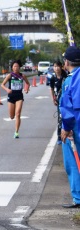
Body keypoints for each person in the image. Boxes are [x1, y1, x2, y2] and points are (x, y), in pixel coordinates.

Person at [60, 46, 80, 208]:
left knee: (72, 162)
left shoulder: (70, 80)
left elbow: (68, 107)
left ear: (66, 62)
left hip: (75, 126)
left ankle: (78, 197)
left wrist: (66, 128)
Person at [1, 60, 30, 138]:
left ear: (19, 67)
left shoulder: (22, 76)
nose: (16, 68)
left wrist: (26, 89)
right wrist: (7, 89)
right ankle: (14, 123)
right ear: (12, 68)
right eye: (14, 66)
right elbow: (2, 85)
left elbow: (27, 83)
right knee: (11, 116)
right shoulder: (10, 75)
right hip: (11, 96)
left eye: (17, 66)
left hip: (19, 96)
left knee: (18, 114)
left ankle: (16, 132)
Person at [50, 61, 68, 145]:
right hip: (58, 100)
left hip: (66, 100)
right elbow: (51, 88)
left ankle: (67, 132)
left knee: (65, 117)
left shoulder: (66, 76)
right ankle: (59, 136)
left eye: (58, 66)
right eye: (55, 66)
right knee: (60, 119)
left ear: (61, 67)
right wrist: (53, 98)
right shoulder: (53, 77)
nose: (56, 68)